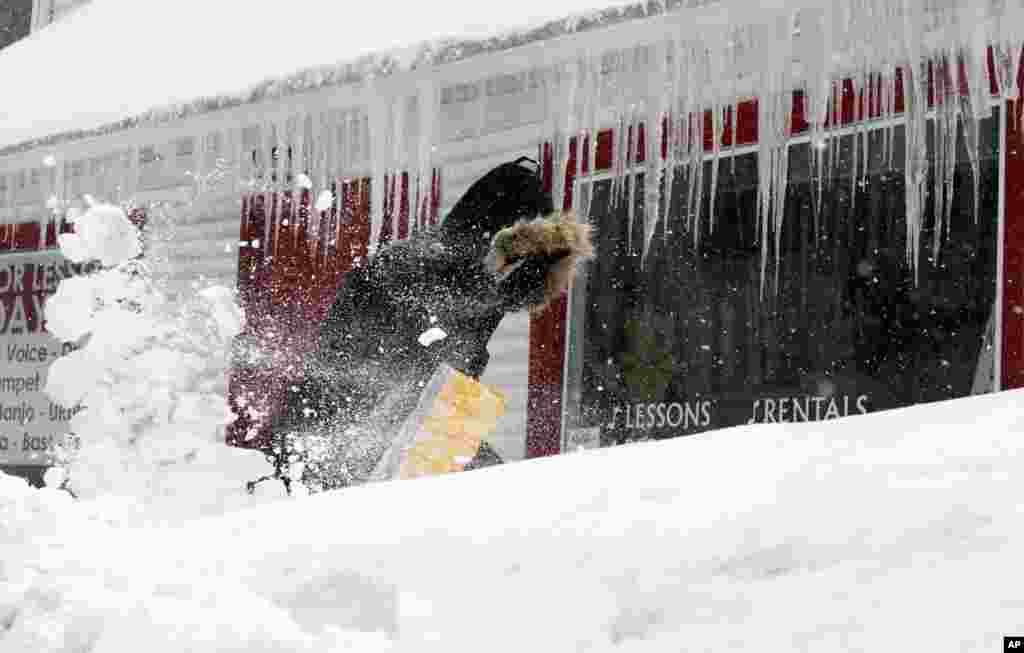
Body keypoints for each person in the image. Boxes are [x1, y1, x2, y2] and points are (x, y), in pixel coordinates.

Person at [271, 157, 592, 490]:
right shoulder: (413, 272)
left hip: (398, 445)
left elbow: (445, 396)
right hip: (329, 447)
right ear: (498, 242)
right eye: (510, 266)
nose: (503, 294)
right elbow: (358, 384)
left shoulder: (478, 293)